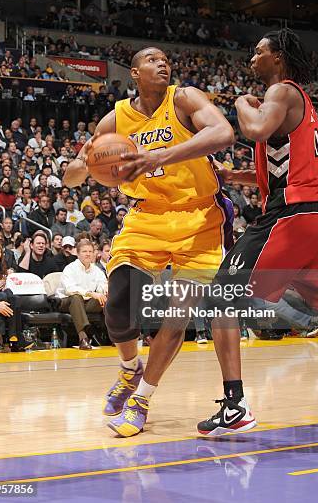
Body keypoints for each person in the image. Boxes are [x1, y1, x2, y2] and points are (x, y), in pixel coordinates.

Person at [197, 28, 318, 436]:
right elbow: (278, 169)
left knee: (221, 297)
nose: (251, 59)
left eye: (258, 52)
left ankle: (235, 407)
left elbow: (255, 130)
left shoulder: (279, 92)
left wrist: (243, 103)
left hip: (294, 216)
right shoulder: (294, 103)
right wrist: (234, 175)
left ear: (278, 57)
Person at [64, 46, 234, 437]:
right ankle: (129, 369)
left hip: (200, 218)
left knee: (176, 317)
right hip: (147, 217)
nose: (163, 63)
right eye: (152, 59)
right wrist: (85, 164)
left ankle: (140, 401)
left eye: (166, 60)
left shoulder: (185, 98)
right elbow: (74, 175)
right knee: (118, 306)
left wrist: (161, 156)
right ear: (135, 73)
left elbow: (223, 133)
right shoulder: (116, 118)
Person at [56, 238, 107, 349]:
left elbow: (102, 285)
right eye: (84, 251)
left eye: (90, 251)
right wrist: (91, 294)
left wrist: (105, 291)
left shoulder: (97, 270)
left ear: (94, 254)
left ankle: (114, 335)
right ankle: (83, 337)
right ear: (78, 254)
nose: (88, 254)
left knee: (107, 299)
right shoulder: (70, 268)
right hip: (66, 301)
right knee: (76, 297)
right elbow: (70, 289)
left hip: (86, 304)